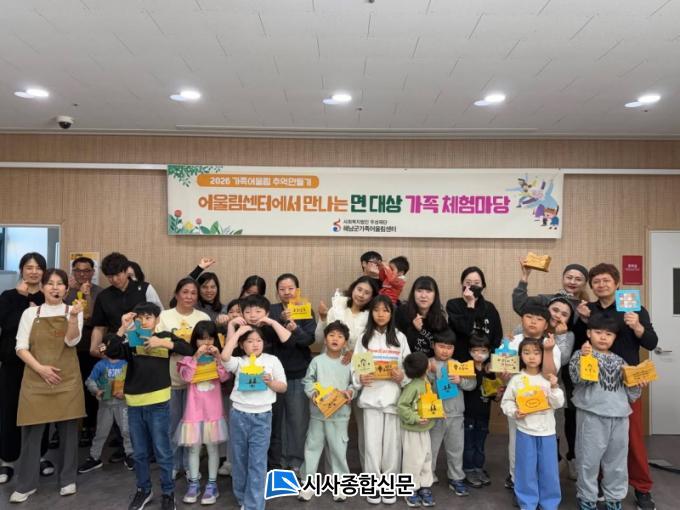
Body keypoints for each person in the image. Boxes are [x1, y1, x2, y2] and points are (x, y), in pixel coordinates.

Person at [575, 263, 658, 510]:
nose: (601, 285)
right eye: (596, 282)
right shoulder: (588, 309)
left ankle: (642, 488)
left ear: (617, 283)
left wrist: (637, 326)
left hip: (626, 384)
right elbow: (579, 343)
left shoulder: (634, 308)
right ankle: (599, 487)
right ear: (591, 286)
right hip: (595, 385)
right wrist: (582, 320)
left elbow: (652, 342)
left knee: (631, 440)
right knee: (596, 443)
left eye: (606, 280)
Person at [103, 302, 194, 510]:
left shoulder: (164, 337)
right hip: (134, 405)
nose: (144, 321)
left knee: (163, 451)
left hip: (159, 404)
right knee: (140, 452)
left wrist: (163, 343)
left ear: (157, 319)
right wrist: (122, 328)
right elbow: (111, 350)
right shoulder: (131, 340)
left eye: (148, 317)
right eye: (140, 318)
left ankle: (168, 493)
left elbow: (188, 349)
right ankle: (144, 490)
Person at [9, 268, 85, 503]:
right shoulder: (30, 313)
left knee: (69, 432)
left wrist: (74, 317)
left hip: (67, 379)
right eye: (50, 283)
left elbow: (72, 341)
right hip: (36, 377)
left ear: (67, 289)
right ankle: (26, 484)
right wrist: (40, 369)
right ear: (42, 288)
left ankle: (68, 479)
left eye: (60, 283)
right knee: (31, 433)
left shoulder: (74, 310)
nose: (55, 288)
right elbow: (20, 347)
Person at [569, 313, 643, 510]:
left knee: (617, 461)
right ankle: (587, 498)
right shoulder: (580, 355)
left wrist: (637, 383)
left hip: (620, 416)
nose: (603, 337)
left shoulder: (621, 361)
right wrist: (585, 358)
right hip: (591, 415)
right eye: (598, 332)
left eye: (608, 334)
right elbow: (578, 379)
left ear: (614, 337)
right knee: (588, 460)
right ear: (588, 333)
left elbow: (632, 395)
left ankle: (614, 498)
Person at [352, 295, 411, 505]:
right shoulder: (363, 338)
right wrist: (360, 378)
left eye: (385, 310)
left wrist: (402, 377)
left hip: (393, 398)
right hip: (370, 398)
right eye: (376, 310)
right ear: (371, 313)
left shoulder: (400, 337)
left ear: (391, 313)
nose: (380, 314)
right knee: (371, 445)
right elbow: (356, 368)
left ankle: (388, 485)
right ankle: (372, 485)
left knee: (392, 447)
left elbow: (408, 367)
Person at [221, 325, 287, 510]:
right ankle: (242, 497)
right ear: (242, 345)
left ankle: (254, 505)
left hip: (262, 417)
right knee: (239, 460)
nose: (255, 344)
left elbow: (283, 387)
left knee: (257, 462)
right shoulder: (239, 362)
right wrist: (237, 332)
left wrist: (270, 382)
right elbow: (224, 357)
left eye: (259, 340)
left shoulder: (272, 360)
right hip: (239, 415)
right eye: (250, 341)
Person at [0, 253, 52, 484]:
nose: (33, 271)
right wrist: (24, 303)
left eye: (38, 268)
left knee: (41, 411)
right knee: (9, 411)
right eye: (29, 267)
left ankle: (40, 456)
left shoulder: (47, 296)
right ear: (21, 270)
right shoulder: (8, 296)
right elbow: (8, 324)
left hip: (41, 364)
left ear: (44, 272)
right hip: (12, 363)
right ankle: (7, 460)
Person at [157, 278, 211, 479]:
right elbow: (156, 344)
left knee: (192, 426)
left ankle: (190, 465)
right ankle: (173, 464)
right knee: (171, 425)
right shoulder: (164, 316)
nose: (189, 296)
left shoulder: (203, 317)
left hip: (196, 382)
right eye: (185, 292)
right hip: (169, 378)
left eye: (193, 293)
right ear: (176, 293)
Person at [501, 338, 564, 510]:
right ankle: (527, 503)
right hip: (525, 431)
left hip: (547, 432)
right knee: (525, 470)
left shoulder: (548, 378)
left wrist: (554, 387)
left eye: (537, 353)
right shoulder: (517, 379)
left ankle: (549, 504)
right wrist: (515, 411)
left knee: (549, 471)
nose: (532, 357)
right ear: (520, 355)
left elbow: (558, 403)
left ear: (543, 355)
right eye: (526, 353)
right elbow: (506, 402)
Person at [503, 304, 561, 491]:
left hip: (543, 408)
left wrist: (548, 350)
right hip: (519, 405)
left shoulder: (550, 344)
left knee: (543, 451)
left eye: (539, 319)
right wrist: (503, 375)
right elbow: (501, 371)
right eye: (529, 316)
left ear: (546, 325)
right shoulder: (513, 341)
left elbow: (550, 375)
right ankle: (517, 482)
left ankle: (540, 486)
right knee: (517, 445)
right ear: (522, 319)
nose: (533, 321)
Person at [297, 321, 354, 502]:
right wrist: (313, 393)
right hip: (318, 415)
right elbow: (308, 381)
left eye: (340, 336)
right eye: (331, 335)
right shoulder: (317, 361)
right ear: (325, 339)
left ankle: (340, 485)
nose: (335, 339)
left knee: (338, 450)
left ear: (345, 342)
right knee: (312, 448)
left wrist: (350, 392)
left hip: (340, 415)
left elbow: (354, 384)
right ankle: (308, 484)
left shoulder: (349, 362)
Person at [268, 273, 316, 473]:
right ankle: (278, 460)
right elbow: (266, 337)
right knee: (276, 420)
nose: (287, 292)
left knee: (297, 419)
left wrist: (295, 328)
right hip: (274, 375)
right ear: (277, 292)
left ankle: (295, 460)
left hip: (298, 372)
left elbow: (308, 340)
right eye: (282, 289)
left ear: (297, 289)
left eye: (291, 288)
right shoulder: (272, 310)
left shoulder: (305, 309)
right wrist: (280, 321)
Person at [177, 321, 229, 505]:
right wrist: (196, 357)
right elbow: (186, 377)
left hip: (213, 413)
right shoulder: (187, 359)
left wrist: (218, 358)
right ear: (195, 340)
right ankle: (194, 484)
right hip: (193, 413)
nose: (206, 343)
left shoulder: (218, 359)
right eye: (201, 339)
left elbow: (225, 377)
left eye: (210, 338)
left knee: (213, 448)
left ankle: (212, 485)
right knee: (193, 449)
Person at [427, 329, 476, 497]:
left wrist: (460, 380)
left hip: (456, 415)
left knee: (456, 449)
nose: (445, 351)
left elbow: (472, 384)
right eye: (441, 346)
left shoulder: (458, 365)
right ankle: (427, 476)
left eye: (449, 347)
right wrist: (432, 374)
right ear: (433, 346)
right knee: (430, 449)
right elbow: (422, 386)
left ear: (454, 349)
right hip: (434, 415)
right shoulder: (427, 364)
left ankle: (456, 478)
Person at [90, 252, 163, 359]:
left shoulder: (145, 288)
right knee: (105, 355)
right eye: (110, 276)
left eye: (118, 275)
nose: (114, 279)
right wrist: (94, 349)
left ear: (126, 271)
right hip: (115, 344)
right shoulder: (103, 296)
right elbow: (99, 327)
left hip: (143, 344)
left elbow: (160, 317)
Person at [65, 256, 103, 447]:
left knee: (90, 388)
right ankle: (63, 430)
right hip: (67, 347)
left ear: (93, 272)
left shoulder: (99, 292)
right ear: (73, 272)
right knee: (68, 388)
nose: (82, 274)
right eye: (78, 270)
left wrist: (86, 295)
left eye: (86, 270)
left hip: (90, 347)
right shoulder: (65, 290)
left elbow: (94, 318)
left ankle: (89, 426)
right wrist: (70, 291)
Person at [77, 352, 134, 474]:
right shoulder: (100, 365)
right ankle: (94, 457)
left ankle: (130, 454)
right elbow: (90, 380)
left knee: (127, 430)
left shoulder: (125, 364)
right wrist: (96, 390)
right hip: (105, 405)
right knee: (101, 432)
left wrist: (125, 392)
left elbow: (133, 382)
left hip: (122, 404)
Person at [398, 352, 436, 507]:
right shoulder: (412, 386)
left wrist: (438, 412)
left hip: (425, 428)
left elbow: (430, 402)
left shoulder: (426, 382)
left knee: (426, 457)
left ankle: (424, 486)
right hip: (412, 430)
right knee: (412, 461)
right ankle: (409, 489)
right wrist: (415, 418)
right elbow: (402, 406)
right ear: (425, 368)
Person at [446, 266, 503, 362]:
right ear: (462, 284)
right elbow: (465, 329)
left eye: (476, 283)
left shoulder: (490, 308)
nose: (472, 286)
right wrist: (470, 303)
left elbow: (497, 337)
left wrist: (490, 361)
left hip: (484, 363)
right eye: (468, 283)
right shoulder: (453, 305)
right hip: (461, 363)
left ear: (483, 286)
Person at [462, 334, 496, 488]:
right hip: (468, 414)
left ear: (488, 352)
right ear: (470, 351)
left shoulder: (490, 369)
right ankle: (468, 470)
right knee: (468, 445)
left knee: (480, 445)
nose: (479, 354)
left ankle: (478, 468)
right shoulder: (466, 368)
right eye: (475, 350)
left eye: (483, 351)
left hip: (484, 414)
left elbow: (492, 392)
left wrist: (498, 392)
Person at [395, 276, 449, 357]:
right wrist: (414, 329)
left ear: (435, 295)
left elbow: (442, 347)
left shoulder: (440, 319)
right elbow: (396, 343)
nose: (423, 296)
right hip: (405, 360)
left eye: (428, 291)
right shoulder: (402, 312)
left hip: (430, 362)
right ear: (413, 293)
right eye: (419, 291)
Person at [512, 260, 589, 316]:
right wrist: (525, 275)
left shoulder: (587, 308)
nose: (572, 282)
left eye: (578, 279)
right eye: (569, 277)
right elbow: (520, 306)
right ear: (562, 279)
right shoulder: (546, 300)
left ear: (585, 284)